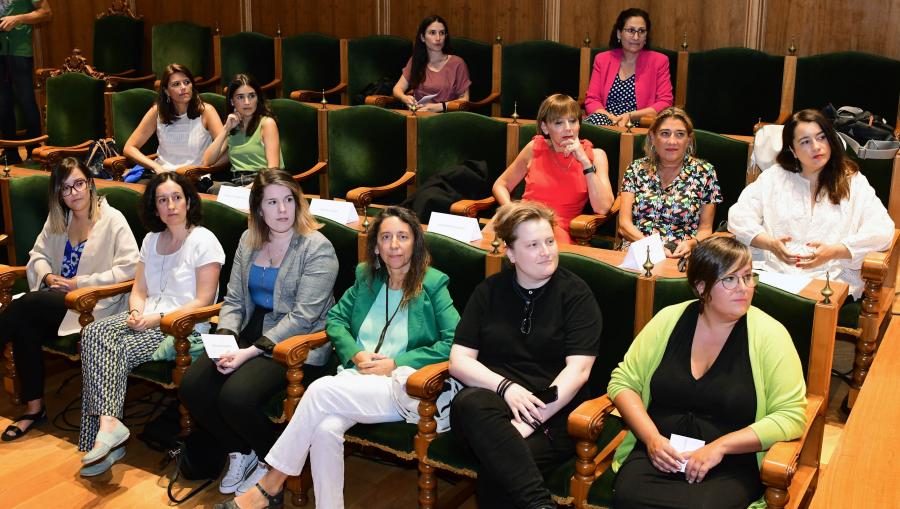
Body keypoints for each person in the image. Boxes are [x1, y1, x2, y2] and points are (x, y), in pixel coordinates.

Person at [217, 206, 459, 509]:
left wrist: (395, 363)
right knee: (324, 429)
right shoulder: (367, 278)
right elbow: (335, 320)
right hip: (356, 381)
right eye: (386, 237)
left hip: (406, 387)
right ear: (375, 246)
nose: (394, 245)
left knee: (318, 391)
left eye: (403, 237)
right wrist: (355, 353)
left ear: (416, 243)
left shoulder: (433, 284)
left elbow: (455, 343)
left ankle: (269, 485)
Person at [608, 236, 807, 508]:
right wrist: (652, 438)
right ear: (701, 287)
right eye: (730, 279)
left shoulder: (770, 335)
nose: (744, 288)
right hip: (660, 454)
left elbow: (791, 416)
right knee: (628, 495)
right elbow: (623, 382)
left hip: (729, 464)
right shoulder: (669, 319)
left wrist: (720, 447)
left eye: (748, 277)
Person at [180, 169, 338, 495]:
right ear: (259, 209)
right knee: (193, 386)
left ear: (298, 202)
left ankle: (272, 466)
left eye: (288, 200)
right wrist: (222, 343)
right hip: (250, 334)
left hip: (296, 346)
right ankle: (241, 450)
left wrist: (247, 353)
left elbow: (303, 317)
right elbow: (235, 299)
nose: (282, 210)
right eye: (272, 202)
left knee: (236, 397)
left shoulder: (317, 248)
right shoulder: (249, 240)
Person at [449, 201, 602, 508]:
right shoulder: (489, 291)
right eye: (533, 245)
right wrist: (507, 388)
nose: (547, 251)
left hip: (554, 413)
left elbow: (578, 372)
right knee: (470, 401)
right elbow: (459, 361)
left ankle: (538, 504)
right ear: (510, 253)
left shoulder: (576, 294)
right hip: (492, 410)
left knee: (499, 472)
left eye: (549, 241)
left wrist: (531, 419)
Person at [77, 172, 225, 476]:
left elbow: (204, 300)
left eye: (176, 198)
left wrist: (155, 319)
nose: (170, 205)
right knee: (93, 331)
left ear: (188, 201)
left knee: (114, 349)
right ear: (154, 207)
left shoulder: (204, 240)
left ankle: (102, 442)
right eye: (162, 200)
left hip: (181, 325)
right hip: (146, 317)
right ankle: (109, 429)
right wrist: (135, 311)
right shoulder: (151, 239)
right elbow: (139, 290)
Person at [0, 157, 138, 442]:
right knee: (25, 324)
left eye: (79, 184)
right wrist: (49, 276)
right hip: (55, 301)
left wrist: (80, 283)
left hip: (92, 305)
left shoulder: (112, 220)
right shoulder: (58, 218)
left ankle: (34, 410)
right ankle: (34, 409)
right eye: (65, 188)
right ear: (58, 194)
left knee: (25, 306)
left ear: (90, 183)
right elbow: (36, 255)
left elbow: (129, 268)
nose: (74, 193)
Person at [728, 109, 894, 300]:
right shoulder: (775, 177)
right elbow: (739, 216)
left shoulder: (853, 181)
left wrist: (836, 251)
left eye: (821, 137)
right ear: (793, 150)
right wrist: (770, 244)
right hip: (775, 275)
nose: (816, 147)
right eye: (805, 142)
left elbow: (882, 230)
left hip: (830, 279)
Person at [493, 94, 614, 244]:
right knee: (485, 244)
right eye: (559, 123)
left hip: (556, 231)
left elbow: (603, 208)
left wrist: (584, 162)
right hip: (521, 221)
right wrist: (512, 210)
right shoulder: (534, 148)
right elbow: (500, 185)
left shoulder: (596, 156)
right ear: (545, 127)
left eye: (572, 121)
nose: (568, 128)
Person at [619, 106, 721, 259]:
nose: (672, 141)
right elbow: (624, 225)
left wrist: (692, 244)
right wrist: (653, 248)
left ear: (688, 139)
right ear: (653, 137)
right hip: (637, 249)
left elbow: (706, 230)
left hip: (682, 254)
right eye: (665, 134)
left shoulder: (705, 172)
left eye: (680, 134)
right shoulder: (635, 169)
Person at [122, 63, 223, 175]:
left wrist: (206, 168)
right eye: (176, 84)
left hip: (193, 178)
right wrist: (156, 167)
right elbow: (129, 148)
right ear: (166, 91)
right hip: (162, 176)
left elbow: (224, 149)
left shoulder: (206, 111)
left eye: (186, 82)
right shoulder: (157, 111)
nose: (183, 87)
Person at [584, 7, 672, 127]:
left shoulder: (660, 61)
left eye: (641, 31)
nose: (636, 37)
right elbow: (592, 100)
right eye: (631, 30)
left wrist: (630, 116)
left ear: (646, 36)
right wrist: (612, 119)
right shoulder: (602, 59)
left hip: (639, 123)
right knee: (591, 121)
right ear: (619, 33)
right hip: (605, 122)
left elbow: (665, 102)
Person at [204, 74, 282, 189]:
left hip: (264, 182)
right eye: (240, 97)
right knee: (214, 189)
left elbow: (273, 169)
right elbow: (208, 160)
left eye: (251, 96)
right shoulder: (232, 126)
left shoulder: (267, 123)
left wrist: (247, 190)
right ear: (232, 101)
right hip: (237, 182)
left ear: (258, 98)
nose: (247, 102)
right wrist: (226, 129)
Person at [0, 0, 51, 164]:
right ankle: (10, 153)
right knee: (2, 103)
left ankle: (34, 151)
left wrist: (18, 18)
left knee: (26, 100)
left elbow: (46, 12)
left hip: (19, 51)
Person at [392, 14, 471, 113]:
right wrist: (404, 98)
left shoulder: (458, 63)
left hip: (449, 118)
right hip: (420, 117)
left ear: (446, 36)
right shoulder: (415, 60)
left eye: (442, 33)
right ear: (422, 37)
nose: (438, 38)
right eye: (432, 33)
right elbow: (397, 88)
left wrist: (437, 107)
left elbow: (464, 100)